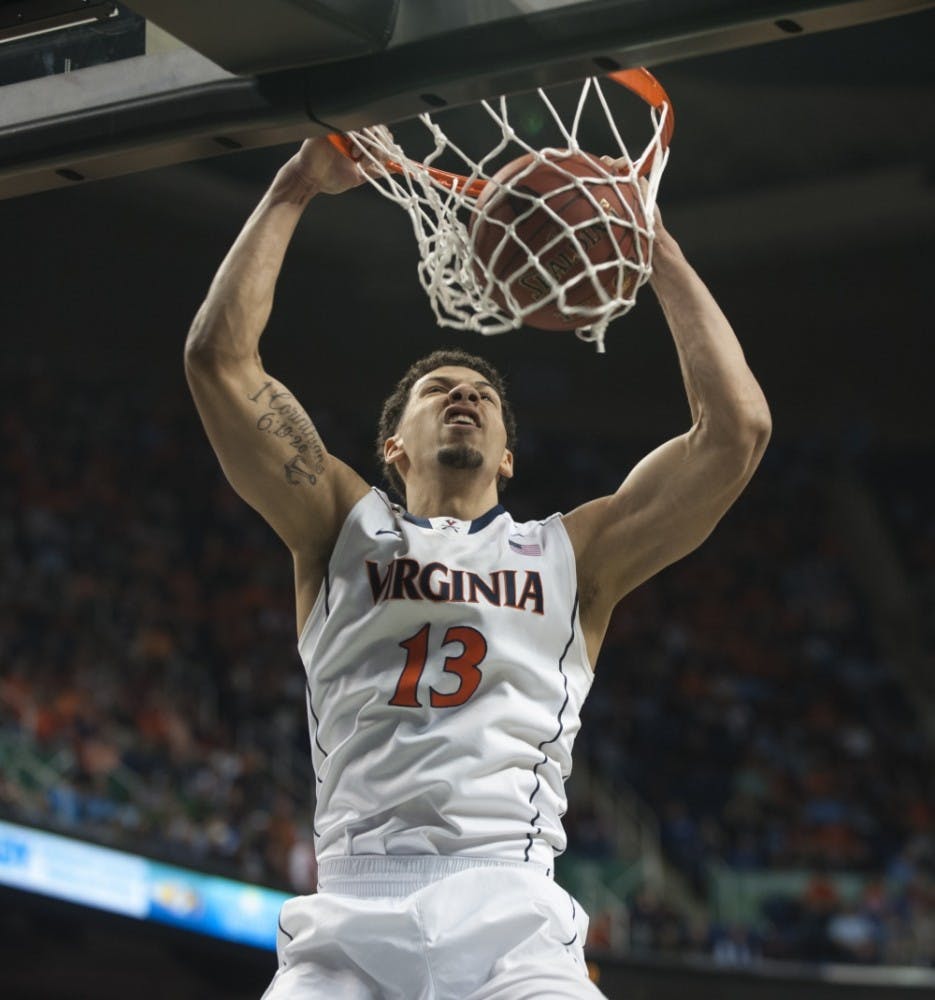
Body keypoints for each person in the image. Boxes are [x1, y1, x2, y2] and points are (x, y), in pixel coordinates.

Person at [184, 135, 771, 999]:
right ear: (393, 445)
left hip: (511, 914)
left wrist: (656, 248)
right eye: (437, 390)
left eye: (483, 396)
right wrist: (295, 184)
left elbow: (736, 433)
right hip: (351, 910)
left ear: (506, 458)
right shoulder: (337, 525)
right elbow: (219, 362)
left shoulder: (574, 555)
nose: (463, 395)